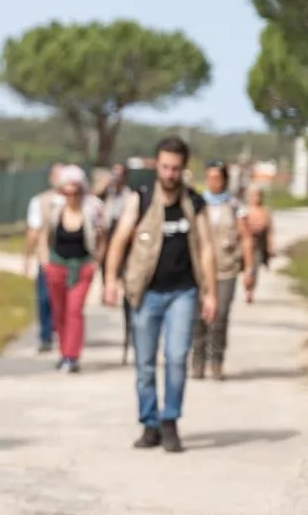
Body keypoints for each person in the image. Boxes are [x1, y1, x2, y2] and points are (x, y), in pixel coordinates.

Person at [103, 136, 218, 454]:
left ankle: (170, 421)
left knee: (177, 358)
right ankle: (149, 423)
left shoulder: (194, 203)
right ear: (157, 165)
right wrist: (110, 279)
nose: (169, 174)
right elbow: (120, 239)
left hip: (183, 292)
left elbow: (207, 249)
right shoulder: (140, 198)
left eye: (175, 168)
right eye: (165, 167)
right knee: (145, 363)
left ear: (184, 169)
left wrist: (210, 293)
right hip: (146, 292)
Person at [191, 160, 256, 381]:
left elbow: (246, 239)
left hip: (226, 270)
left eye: (217, 178)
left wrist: (249, 270)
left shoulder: (235, 206)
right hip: (200, 271)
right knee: (198, 317)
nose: (213, 182)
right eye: (209, 178)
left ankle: (216, 361)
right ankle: (197, 360)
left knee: (220, 316)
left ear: (225, 180)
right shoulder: (197, 204)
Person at [37, 165, 106, 373]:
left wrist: (96, 262)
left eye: (76, 192)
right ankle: (63, 352)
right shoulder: (55, 212)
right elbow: (43, 236)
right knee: (59, 311)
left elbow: (103, 237)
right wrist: (45, 262)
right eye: (67, 193)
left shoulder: (91, 212)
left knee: (74, 311)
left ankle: (72, 356)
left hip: (81, 268)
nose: (72, 197)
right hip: (57, 266)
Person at [23, 165, 65, 353]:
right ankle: (46, 336)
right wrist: (27, 257)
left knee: (64, 300)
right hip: (47, 258)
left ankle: (63, 333)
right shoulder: (40, 201)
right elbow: (33, 231)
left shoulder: (78, 200)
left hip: (69, 259)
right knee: (44, 299)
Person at [98, 163, 135, 363]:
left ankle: (132, 339)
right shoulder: (107, 196)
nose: (117, 178)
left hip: (127, 245)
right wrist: (104, 185)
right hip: (108, 241)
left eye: (120, 174)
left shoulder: (131, 197)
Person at [244, 185, 275, 286]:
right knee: (246, 268)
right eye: (253, 195)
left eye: (258, 195)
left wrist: (270, 247)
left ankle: (251, 288)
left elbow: (269, 230)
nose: (256, 198)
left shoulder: (265, 211)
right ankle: (247, 285)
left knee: (254, 268)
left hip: (259, 245)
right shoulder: (245, 211)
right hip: (245, 245)